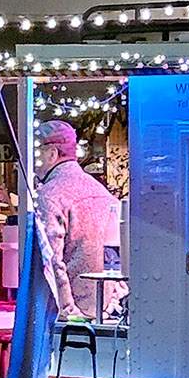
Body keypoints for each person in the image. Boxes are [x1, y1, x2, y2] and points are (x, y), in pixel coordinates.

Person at [34, 120, 116, 319]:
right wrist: (112, 301)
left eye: (37, 154)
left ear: (52, 154)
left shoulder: (50, 195)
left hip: (69, 316)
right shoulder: (102, 193)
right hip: (104, 309)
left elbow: (52, 261)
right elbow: (116, 256)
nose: (33, 163)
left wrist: (67, 312)